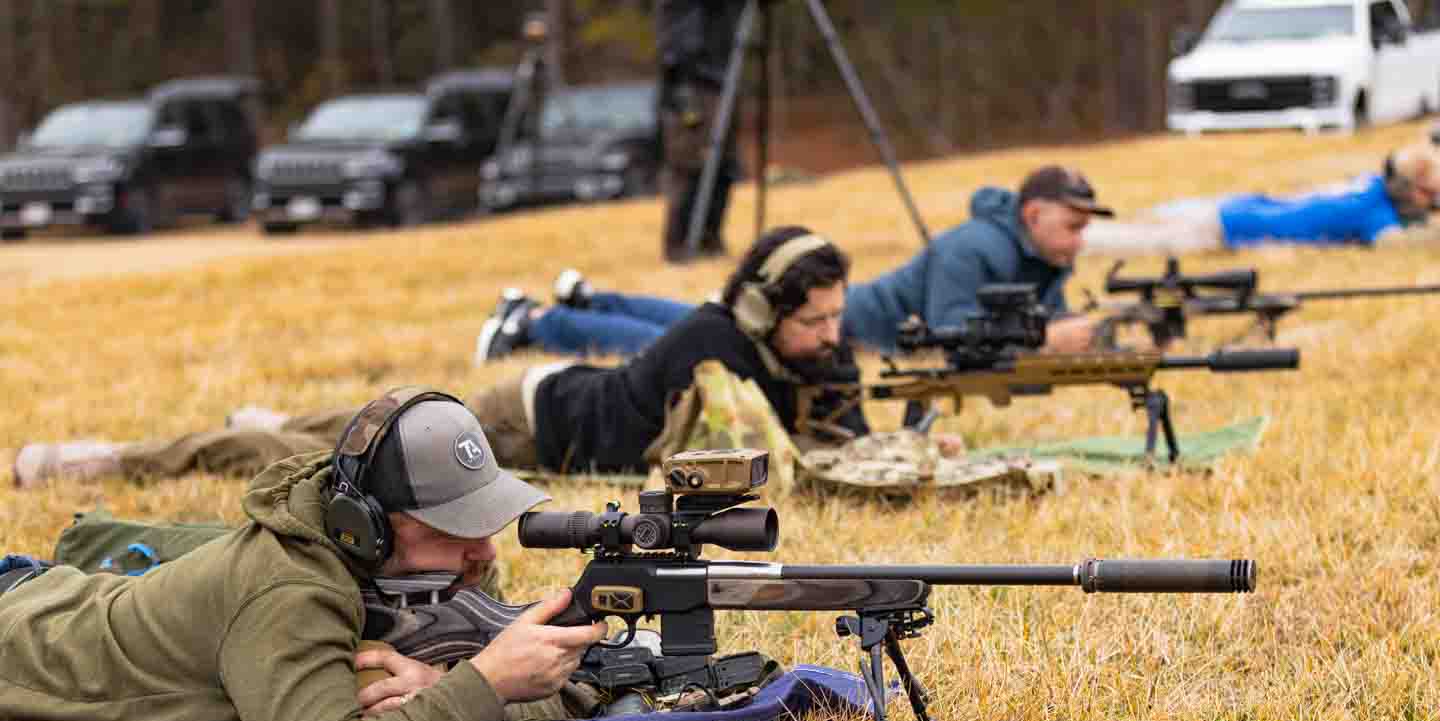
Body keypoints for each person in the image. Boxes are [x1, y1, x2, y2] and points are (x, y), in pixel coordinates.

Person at [0, 389, 609, 721]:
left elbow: (540, 684)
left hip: (56, 594)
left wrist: (446, 686)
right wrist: (482, 687)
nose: (482, 555)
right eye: (453, 531)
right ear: (364, 528)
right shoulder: (289, 594)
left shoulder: (419, 572)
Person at [11, 227, 877, 488]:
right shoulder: (714, 351)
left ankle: (270, 421)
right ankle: (112, 460)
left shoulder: (796, 353)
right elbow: (773, 464)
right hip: (524, 425)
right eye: (817, 321)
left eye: (838, 319)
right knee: (333, 461)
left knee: (361, 424)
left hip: (542, 406)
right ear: (763, 308)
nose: (831, 337)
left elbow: (845, 443)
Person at [474, 164, 1112, 363]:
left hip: (827, 327)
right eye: (1072, 224)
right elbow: (952, 342)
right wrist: (1045, 340)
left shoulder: (1030, 255)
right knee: (676, 343)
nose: (1079, 239)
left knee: (695, 317)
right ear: (1032, 215)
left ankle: (587, 301)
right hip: (836, 328)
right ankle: (534, 323)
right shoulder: (976, 248)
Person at [1083, 140, 1440, 255]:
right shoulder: (1375, 216)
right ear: (1413, 191)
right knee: (1120, 241)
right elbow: (1400, 244)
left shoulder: (1369, 186)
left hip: (1240, 205)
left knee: (1141, 220)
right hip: (1231, 228)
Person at [656, 0, 745, 263]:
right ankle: (681, 243)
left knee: (724, 164)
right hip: (692, 78)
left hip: (721, 73)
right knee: (691, 162)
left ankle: (710, 238)